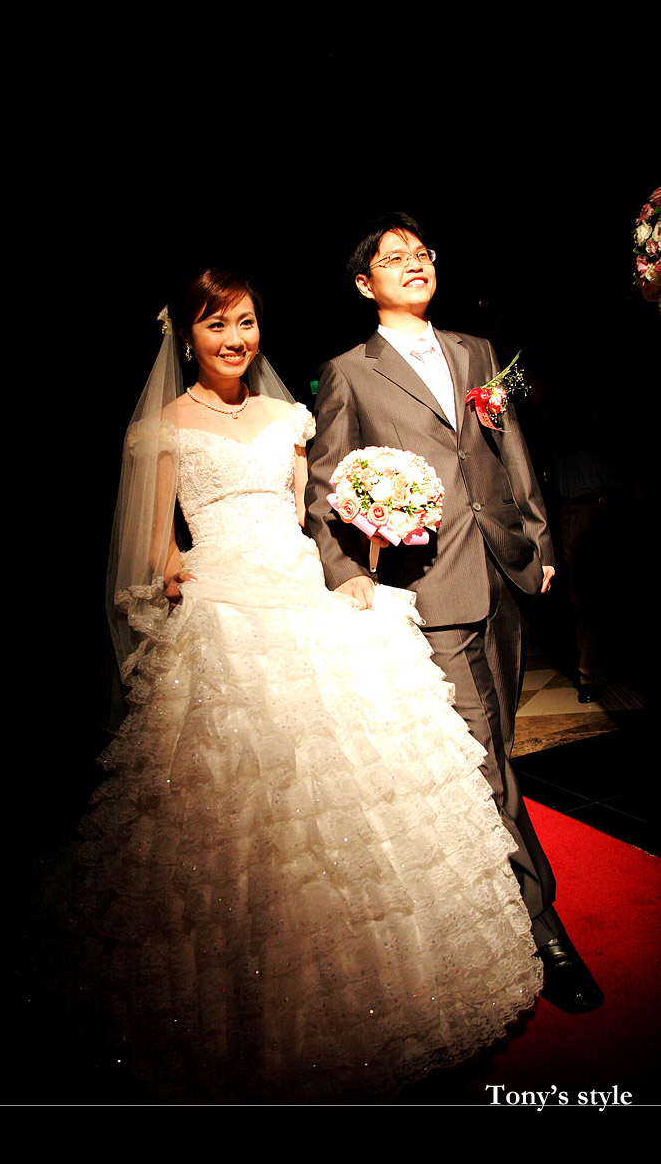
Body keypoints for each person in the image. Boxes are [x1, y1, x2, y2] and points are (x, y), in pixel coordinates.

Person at [74, 267, 543, 1104]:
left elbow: (305, 518)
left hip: (298, 588)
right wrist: (175, 575)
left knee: (359, 774)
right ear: (187, 335)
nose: (235, 339)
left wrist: (367, 537)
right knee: (242, 800)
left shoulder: (290, 417)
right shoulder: (160, 428)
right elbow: (154, 542)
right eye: (217, 324)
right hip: (223, 597)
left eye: (246, 322)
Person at [305, 213, 603, 1015]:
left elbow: (510, 447)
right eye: (393, 257)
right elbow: (325, 488)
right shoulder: (350, 372)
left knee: (495, 744)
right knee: (486, 755)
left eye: (422, 253)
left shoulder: (475, 351)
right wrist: (345, 572)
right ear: (364, 283)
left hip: (504, 566)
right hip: (430, 585)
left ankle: (484, 887)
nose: (414, 263)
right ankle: (542, 926)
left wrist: (539, 536)